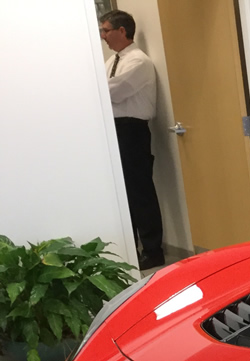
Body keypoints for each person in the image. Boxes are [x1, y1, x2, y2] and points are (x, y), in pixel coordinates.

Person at [99, 11, 165, 270]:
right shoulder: (111, 62)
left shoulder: (138, 61)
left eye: (106, 30)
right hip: (115, 129)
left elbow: (112, 91)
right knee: (123, 193)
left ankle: (153, 250)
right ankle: (133, 249)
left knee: (140, 192)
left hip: (132, 130)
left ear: (122, 31)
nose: (103, 36)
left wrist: (100, 86)